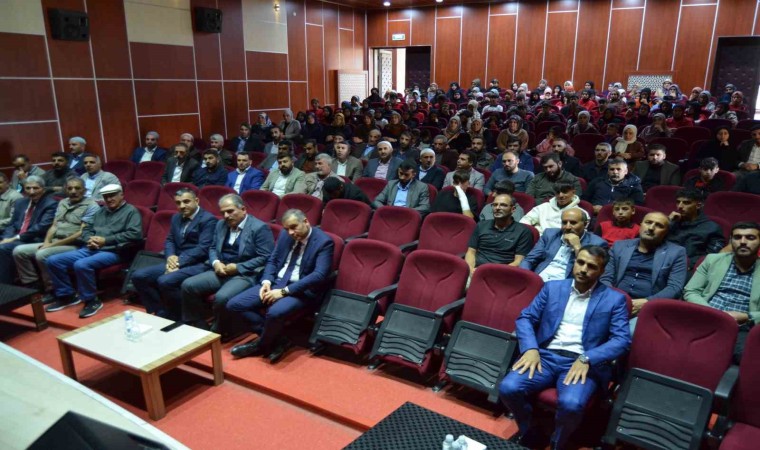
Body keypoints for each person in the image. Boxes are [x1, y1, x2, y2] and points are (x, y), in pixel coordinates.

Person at [500, 245, 631, 450]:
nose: (583, 269)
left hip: (581, 362)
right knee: (508, 388)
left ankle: (557, 442)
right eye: (580, 262)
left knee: (572, 404)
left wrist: (588, 358)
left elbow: (622, 340)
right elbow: (526, 318)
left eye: (591, 266)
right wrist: (531, 349)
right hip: (544, 355)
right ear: (574, 262)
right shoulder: (553, 288)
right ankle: (531, 429)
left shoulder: (614, 300)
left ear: (601, 271)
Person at [226, 209, 334, 361]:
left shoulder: (324, 242)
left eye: (294, 227)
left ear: (306, 222)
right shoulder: (285, 235)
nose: (290, 232)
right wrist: (266, 281)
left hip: (300, 290)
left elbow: (319, 275)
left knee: (274, 312)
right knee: (234, 305)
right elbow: (273, 260)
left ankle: (261, 345)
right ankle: (278, 339)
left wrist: (284, 291)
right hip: (276, 282)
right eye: (287, 228)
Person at [45, 184, 143, 318]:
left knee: (81, 264)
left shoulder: (131, 211)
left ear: (121, 195)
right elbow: (86, 229)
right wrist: (89, 240)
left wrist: (105, 240)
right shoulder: (100, 211)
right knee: (53, 260)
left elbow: (135, 234)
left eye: (112, 196)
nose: (109, 199)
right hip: (92, 247)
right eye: (106, 197)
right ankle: (67, 295)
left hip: (115, 251)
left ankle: (91, 300)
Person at [180, 194, 274, 333]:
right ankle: (197, 322)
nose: (226, 216)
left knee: (222, 297)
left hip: (245, 274)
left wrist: (238, 267)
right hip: (222, 269)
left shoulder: (259, 228)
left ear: (243, 209)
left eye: (230, 211)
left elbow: (266, 257)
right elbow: (212, 247)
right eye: (223, 212)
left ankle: (219, 330)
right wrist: (216, 262)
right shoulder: (221, 224)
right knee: (188, 285)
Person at [131, 188, 216, 320]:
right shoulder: (176, 217)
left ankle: (182, 317)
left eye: (186, 201)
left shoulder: (208, 219)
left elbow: (203, 248)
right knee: (139, 276)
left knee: (165, 281)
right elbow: (170, 240)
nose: (182, 206)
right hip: (176, 261)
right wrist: (170, 256)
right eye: (178, 203)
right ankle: (160, 311)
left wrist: (178, 262)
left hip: (199, 264)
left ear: (196, 201)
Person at [684, 222, 760, 363]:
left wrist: (747, 316)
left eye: (750, 237)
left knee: (745, 357)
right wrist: (712, 312)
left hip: (742, 327)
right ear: (731, 240)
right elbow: (691, 291)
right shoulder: (712, 260)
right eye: (737, 237)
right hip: (705, 317)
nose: (743, 242)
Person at [601, 212, 688, 328]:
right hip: (613, 301)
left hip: (649, 308)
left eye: (659, 225)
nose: (651, 228)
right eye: (648, 222)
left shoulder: (677, 252)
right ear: (641, 225)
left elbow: (675, 287)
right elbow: (605, 277)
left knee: (629, 332)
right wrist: (614, 299)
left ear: (666, 231)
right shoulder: (619, 246)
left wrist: (646, 302)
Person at [13, 178, 98, 295]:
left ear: (84, 190)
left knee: (42, 254)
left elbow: (81, 233)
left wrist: (50, 246)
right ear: (65, 190)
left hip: (75, 244)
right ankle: (33, 285)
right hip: (55, 241)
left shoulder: (92, 205)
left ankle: (52, 288)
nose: (73, 191)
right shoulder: (63, 202)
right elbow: (54, 226)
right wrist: (47, 242)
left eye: (77, 188)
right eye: (70, 188)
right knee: (19, 251)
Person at [521, 208, 608, 281]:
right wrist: (525, 278)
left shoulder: (597, 244)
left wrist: (577, 247)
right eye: (564, 222)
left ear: (585, 224)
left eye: (573, 223)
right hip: (539, 279)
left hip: (566, 284)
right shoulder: (550, 234)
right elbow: (529, 260)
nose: (567, 227)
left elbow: (588, 272)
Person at [0, 176, 58, 285]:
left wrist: (14, 238)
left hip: (35, 238)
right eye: (28, 188)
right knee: (3, 243)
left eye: (35, 188)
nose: (31, 192)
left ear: (43, 189)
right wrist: (6, 238)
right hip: (16, 236)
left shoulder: (51, 204)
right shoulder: (20, 202)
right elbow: (12, 224)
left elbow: (41, 227)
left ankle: (5, 285)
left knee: (3, 248)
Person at [466, 193, 533, 274]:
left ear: (513, 209)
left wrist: (494, 273)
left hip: (502, 273)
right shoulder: (481, 225)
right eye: (495, 205)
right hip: (476, 270)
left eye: (503, 205)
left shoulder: (523, 231)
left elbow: (519, 261)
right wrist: (470, 270)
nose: (497, 208)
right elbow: (471, 252)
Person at [666, 189, 725, 269]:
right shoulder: (672, 222)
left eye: (686, 203)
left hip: (688, 267)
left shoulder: (712, 228)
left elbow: (711, 257)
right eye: (678, 202)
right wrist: (667, 222)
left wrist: (688, 264)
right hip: (662, 260)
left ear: (698, 205)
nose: (680, 206)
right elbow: (655, 241)